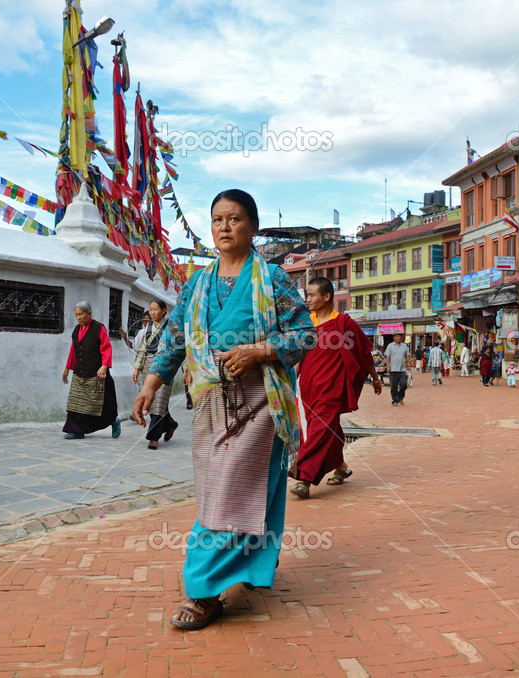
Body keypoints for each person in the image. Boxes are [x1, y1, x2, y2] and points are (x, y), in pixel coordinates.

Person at [132, 188, 314, 630]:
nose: (225, 227)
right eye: (217, 220)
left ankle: (204, 590)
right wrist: (151, 383)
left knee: (233, 492)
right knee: (222, 490)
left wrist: (259, 351)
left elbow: (305, 334)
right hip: (211, 402)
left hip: (262, 402)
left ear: (253, 226)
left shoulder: (272, 278)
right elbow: (175, 338)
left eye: (234, 219)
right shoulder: (197, 283)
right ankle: (248, 569)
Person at [289, 277, 381, 499]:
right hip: (309, 388)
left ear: (326, 296)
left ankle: (304, 478)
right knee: (325, 429)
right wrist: (291, 383)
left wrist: (375, 378)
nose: (307, 299)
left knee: (321, 429)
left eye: (311, 295)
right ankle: (340, 466)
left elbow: (363, 352)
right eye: (306, 295)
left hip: (333, 387)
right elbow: (298, 357)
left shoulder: (343, 322)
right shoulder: (306, 323)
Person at [62, 302, 121, 440]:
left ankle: (113, 421)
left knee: (101, 403)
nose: (78, 317)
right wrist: (67, 368)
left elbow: (106, 348)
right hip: (79, 372)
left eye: (81, 314)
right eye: (76, 314)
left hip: (97, 373)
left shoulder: (98, 328)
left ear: (89, 313)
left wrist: (104, 366)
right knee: (75, 402)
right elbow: (74, 350)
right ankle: (77, 430)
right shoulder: (77, 329)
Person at [132, 300, 177, 450]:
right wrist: (137, 368)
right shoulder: (148, 327)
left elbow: (180, 346)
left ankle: (153, 437)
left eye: (155, 309)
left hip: (165, 365)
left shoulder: (171, 326)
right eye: (150, 310)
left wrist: (186, 370)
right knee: (152, 400)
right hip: (148, 366)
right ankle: (170, 424)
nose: (152, 313)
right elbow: (142, 349)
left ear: (164, 310)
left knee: (160, 401)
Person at [384, 333, 411, 405]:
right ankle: (395, 400)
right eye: (397, 336)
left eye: (400, 336)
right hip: (393, 369)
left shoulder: (404, 346)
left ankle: (400, 397)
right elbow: (388, 357)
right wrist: (388, 366)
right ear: (394, 337)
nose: (399, 338)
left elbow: (407, 356)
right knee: (393, 386)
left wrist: (408, 364)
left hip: (402, 369)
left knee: (404, 384)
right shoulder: (390, 346)